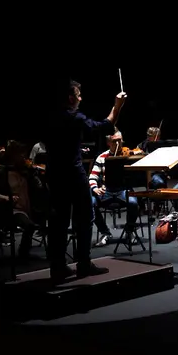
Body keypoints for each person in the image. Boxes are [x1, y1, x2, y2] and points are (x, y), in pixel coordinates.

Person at [44, 79, 124, 282]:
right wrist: (117, 105)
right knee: (85, 217)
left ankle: (58, 267)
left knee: (59, 220)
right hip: (72, 172)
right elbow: (105, 126)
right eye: (78, 95)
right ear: (70, 98)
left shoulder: (50, 115)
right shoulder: (74, 117)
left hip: (54, 172)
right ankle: (84, 264)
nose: (81, 98)